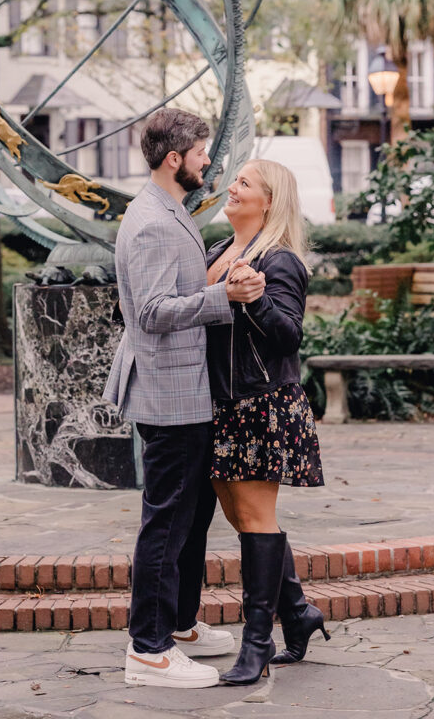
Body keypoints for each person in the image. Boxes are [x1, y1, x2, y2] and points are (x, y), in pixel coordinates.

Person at [104, 108, 266, 690]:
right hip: (168, 393)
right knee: (168, 523)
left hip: (185, 389)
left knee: (191, 518)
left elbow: (170, 291)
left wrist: (220, 282)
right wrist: (224, 298)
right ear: (174, 159)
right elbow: (150, 312)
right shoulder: (151, 221)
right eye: (200, 153)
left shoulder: (169, 209)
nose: (208, 162)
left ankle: (178, 624)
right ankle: (148, 651)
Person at [205, 158, 327, 686]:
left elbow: (289, 336)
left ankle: (257, 642)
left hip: (260, 405)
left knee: (255, 518)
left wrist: (256, 299)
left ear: (269, 201)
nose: (231, 187)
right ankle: (297, 611)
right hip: (220, 404)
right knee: (240, 515)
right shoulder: (217, 251)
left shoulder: (279, 260)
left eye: (244, 182)